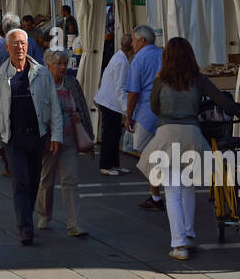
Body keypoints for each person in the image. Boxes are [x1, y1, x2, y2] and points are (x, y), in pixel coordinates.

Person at [139, 37, 240, 261]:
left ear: (166, 57)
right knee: (188, 188)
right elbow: (221, 100)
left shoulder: (160, 80)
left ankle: (179, 245)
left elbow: (154, 107)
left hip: (166, 135)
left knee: (172, 192)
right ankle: (188, 234)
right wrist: (239, 113)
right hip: (192, 134)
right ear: (190, 55)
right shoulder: (198, 79)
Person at [0, 28, 61, 246]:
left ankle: (26, 217)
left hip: (37, 136)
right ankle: (25, 228)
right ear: (7, 47)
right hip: (13, 138)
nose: (19, 47)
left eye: (23, 43)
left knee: (33, 183)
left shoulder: (42, 73)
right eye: (15, 44)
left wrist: (56, 134)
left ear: (27, 46)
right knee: (20, 182)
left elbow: (54, 107)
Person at [37, 50, 91, 237]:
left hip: (69, 139)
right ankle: (44, 215)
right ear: (48, 65)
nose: (62, 67)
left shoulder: (71, 83)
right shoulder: (42, 83)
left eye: (65, 63)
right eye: (59, 63)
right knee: (46, 180)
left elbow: (82, 106)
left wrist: (80, 120)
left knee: (71, 180)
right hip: (49, 141)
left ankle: (73, 224)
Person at [124, 25, 165, 211]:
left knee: (147, 157)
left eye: (133, 40)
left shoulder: (138, 59)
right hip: (167, 113)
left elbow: (133, 93)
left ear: (142, 41)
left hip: (147, 113)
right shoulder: (164, 54)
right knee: (163, 152)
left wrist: (128, 116)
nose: (132, 44)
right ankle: (160, 193)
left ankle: (156, 196)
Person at [94, 37, 132, 176]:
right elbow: (120, 87)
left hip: (109, 101)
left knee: (114, 135)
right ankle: (105, 165)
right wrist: (127, 109)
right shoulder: (122, 62)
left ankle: (114, 164)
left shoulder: (118, 57)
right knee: (109, 135)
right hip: (110, 103)